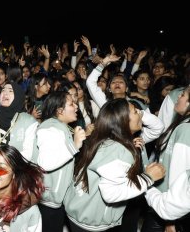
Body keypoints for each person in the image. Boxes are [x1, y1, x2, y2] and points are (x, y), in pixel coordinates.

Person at [64, 99, 166, 232]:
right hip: (91, 221)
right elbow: (111, 194)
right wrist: (148, 177)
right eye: (136, 112)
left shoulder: (104, 139)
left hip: (79, 210)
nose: (141, 114)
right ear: (123, 120)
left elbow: (158, 126)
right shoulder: (119, 149)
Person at [142, 85, 190, 232]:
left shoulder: (186, 130)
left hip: (167, 208)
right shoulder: (182, 124)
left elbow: (179, 178)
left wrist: (170, 221)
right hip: (162, 203)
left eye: (182, 95)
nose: (177, 97)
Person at [36, 91, 86, 232]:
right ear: (59, 110)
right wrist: (74, 146)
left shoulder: (60, 127)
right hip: (48, 202)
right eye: (71, 104)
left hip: (55, 201)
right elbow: (45, 162)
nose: (76, 107)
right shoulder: (50, 128)